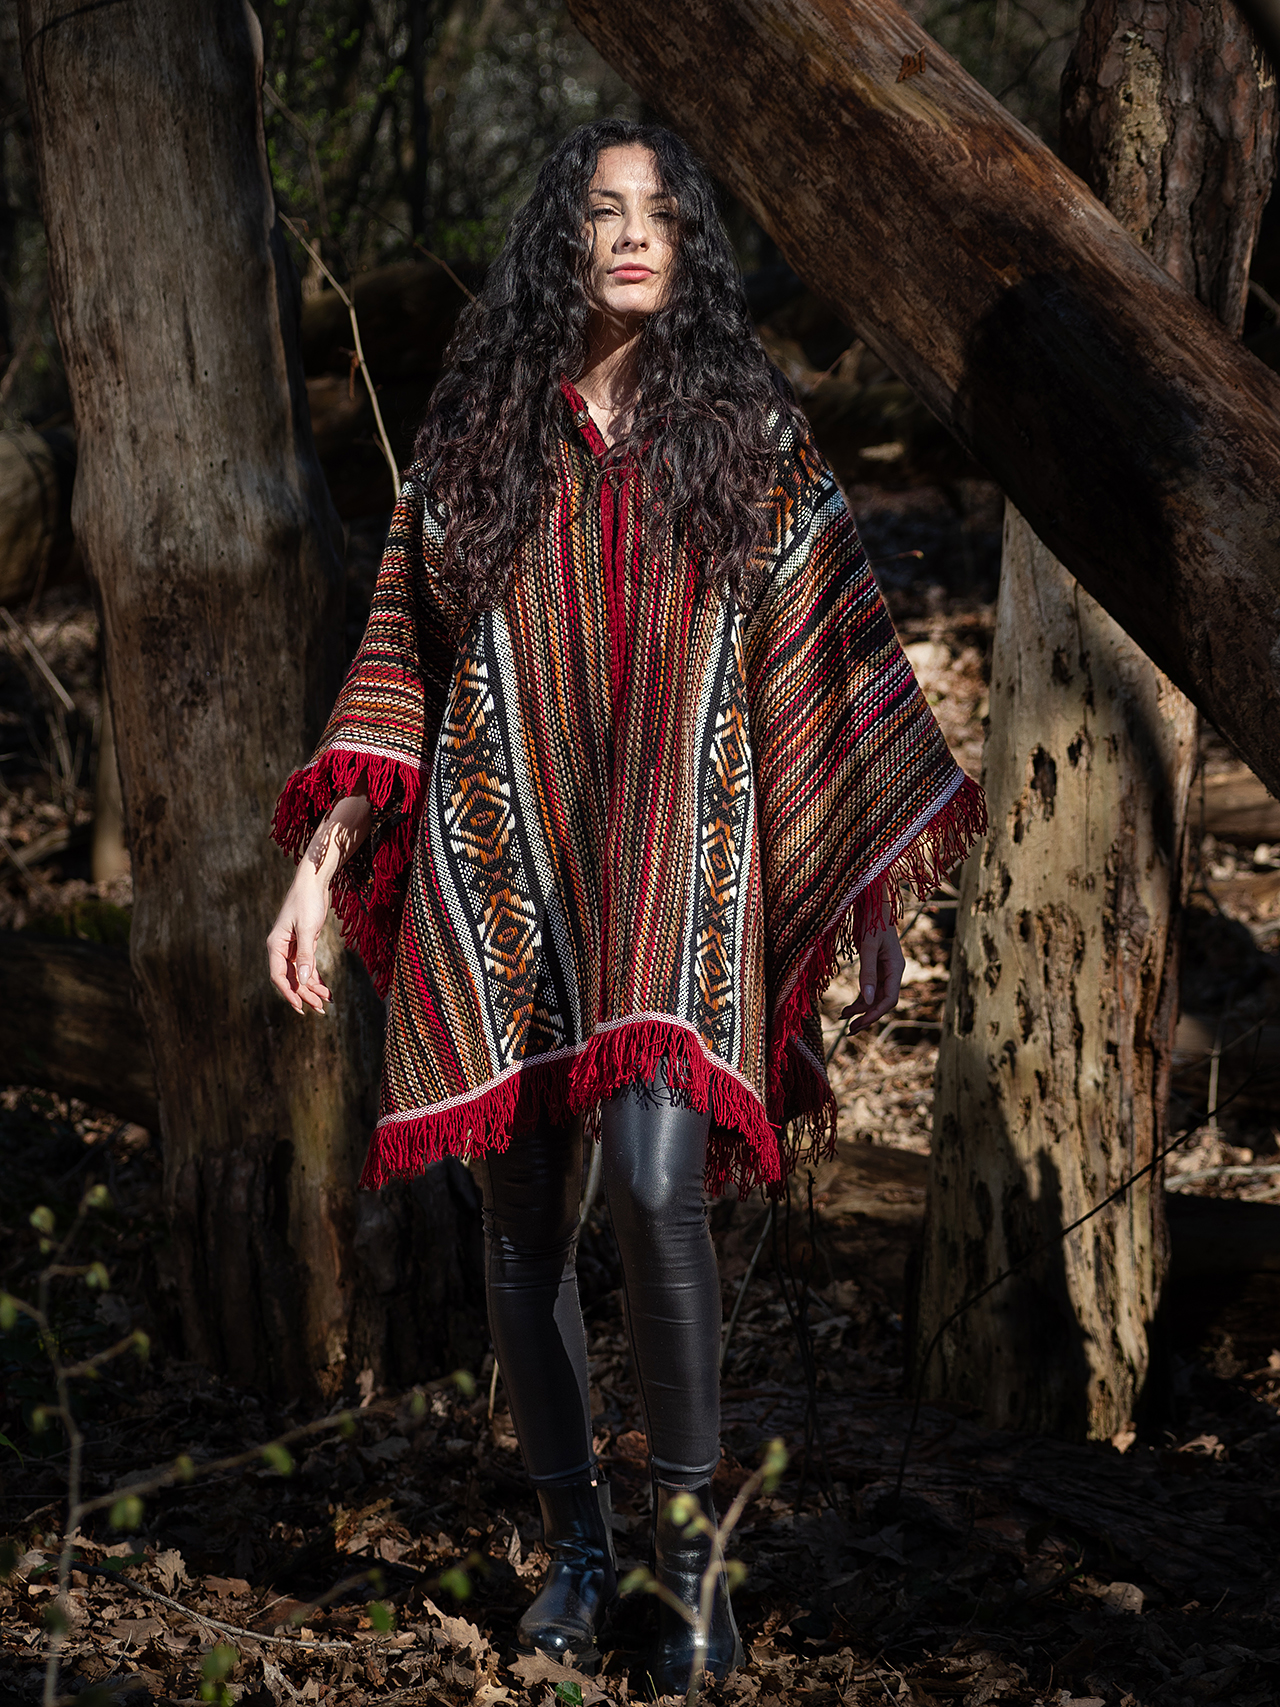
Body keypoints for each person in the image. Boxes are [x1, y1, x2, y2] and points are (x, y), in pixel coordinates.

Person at [267, 119, 984, 1688]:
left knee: (659, 1187)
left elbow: (828, 668)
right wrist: (322, 865)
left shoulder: (748, 431)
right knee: (523, 1221)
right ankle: (578, 1554)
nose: (636, 231)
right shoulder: (480, 432)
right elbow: (402, 654)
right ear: (565, 239)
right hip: (506, 862)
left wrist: (866, 898)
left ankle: (691, 1562)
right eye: (605, 210)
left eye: (660, 210)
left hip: (683, 866)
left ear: (691, 244)